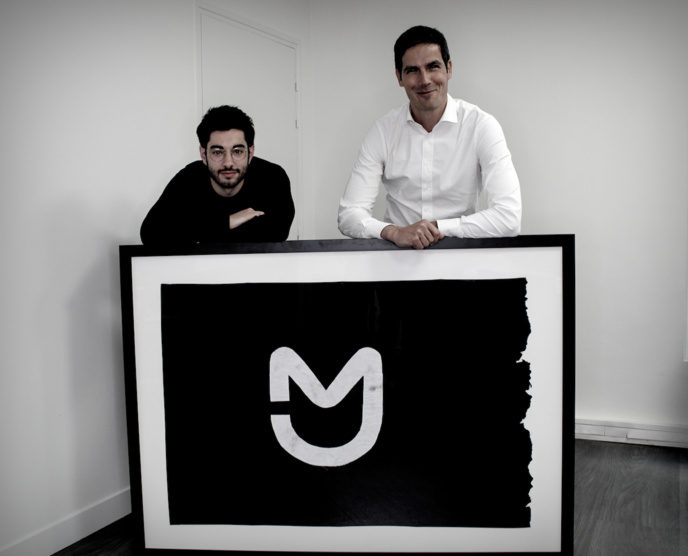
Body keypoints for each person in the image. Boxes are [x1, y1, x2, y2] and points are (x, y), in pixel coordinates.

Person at [338, 26, 521, 250]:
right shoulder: (382, 132)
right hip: (397, 260)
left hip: (462, 259)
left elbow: (509, 217)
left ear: (449, 68)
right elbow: (349, 214)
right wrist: (395, 232)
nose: (424, 80)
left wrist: (435, 228)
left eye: (433, 66)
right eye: (412, 70)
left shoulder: (481, 126)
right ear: (399, 77)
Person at [141, 105, 295, 245]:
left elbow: (277, 232)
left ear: (250, 153)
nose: (228, 162)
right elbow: (151, 234)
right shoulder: (188, 179)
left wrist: (199, 230)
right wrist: (228, 221)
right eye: (217, 152)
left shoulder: (273, 178)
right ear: (203, 154)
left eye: (237, 151)